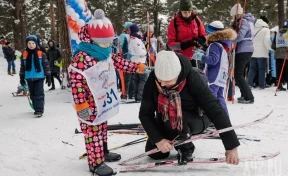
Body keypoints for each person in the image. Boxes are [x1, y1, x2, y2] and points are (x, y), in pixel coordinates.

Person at [68, 9, 146, 176]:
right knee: (92, 132)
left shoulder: (104, 52)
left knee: (102, 128)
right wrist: (81, 104)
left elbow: (118, 62)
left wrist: (135, 67)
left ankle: (102, 152)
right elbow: (76, 81)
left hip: (101, 101)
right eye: (103, 42)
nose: (106, 45)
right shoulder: (82, 57)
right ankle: (95, 164)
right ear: (92, 39)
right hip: (88, 104)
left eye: (108, 42)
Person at [139, 50, 240, 165]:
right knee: (155, 153)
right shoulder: (153, 79)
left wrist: (231, 146)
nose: (162, 85)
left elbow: (215, 110)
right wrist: (158, 139)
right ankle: (174, 137)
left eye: (167, 81)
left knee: (178, 119)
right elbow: (145, 113)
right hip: (166, 118)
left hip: (196, 117)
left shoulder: (192, 77)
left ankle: (185, 148)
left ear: (178, 74)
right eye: (160, 80)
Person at [193, 21, 237, 116]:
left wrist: (201, 57)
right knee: (219, 96)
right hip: (221, 74)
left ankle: (214, 120)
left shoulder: (214, 45)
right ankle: (225, 118)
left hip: (214, 75)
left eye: (208, 33)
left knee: (211, 98)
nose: (207, 35)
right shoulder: (222, 44)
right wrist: (203, 53)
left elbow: (213, 60)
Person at [19, 35, 51, 117]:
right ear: (27, 44)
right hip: (29, 77)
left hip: (39, 77)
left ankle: (39, 110)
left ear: (36, 43)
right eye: (29, 43)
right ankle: (36, 107)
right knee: (32, 94)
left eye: (33, 43)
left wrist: (48, 76)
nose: (31, 45)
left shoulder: (41, 54)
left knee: (39, 93)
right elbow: (22, 67)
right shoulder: (24, 54)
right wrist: (21, 78)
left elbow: (46, 66)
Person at [167, 0, 206, 67]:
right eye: (185, 12)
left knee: (194, 76)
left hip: (195, 57)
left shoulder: (196, 20)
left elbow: (204, 35)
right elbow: (171, 44)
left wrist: (201, 40)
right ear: (180, 11)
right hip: (180, 58)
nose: (187, 14)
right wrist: (184, 45)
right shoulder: (174, 23)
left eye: (189, 11)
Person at [230, 3, 255, 104]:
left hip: (244, 49)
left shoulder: (244, 21)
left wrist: (230, 40)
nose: (233, 18)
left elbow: (240, 36)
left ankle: (249, 97)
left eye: (233, 16)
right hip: (245, 48)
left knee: (238, 74)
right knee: (240, 73)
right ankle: (244, 95)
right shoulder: (245, 20)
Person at [247, 17, 271, 89]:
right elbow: (266, 41)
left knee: (252, 69)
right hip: (262, 52)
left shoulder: (253, 29)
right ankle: (261, 85)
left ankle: (249, 84)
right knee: (262, 69)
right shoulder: (266, 30)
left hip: (252, 52)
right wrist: (270, 48)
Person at [128, 24, 149, 102]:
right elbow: (139, 51)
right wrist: (145, 52)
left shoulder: (135, 39)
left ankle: (137, 96)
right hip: (139, 61)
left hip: (137, 61)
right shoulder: (135, 40)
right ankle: (140, 96)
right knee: (142, 79)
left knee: (137, 79)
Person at [271, 21, 288, 91]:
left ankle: (279, 85)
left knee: (279, 70)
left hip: (278, 53)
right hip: (286, 52)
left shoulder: (278, 32)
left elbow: (273, 45)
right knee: (287, 69)